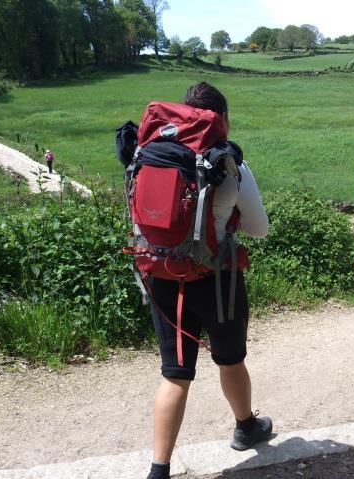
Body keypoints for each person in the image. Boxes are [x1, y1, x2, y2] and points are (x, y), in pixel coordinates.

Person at [146, 83, 272, 479]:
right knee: (230, 358)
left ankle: (158, 469)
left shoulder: (152, 156)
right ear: (223, 119)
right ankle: (245, 426)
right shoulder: (230, 165)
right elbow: (258, 229)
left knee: (175, 371)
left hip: (163, 277)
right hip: (219, 282)